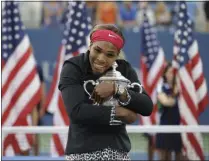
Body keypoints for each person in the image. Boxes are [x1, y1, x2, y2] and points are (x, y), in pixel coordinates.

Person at [58, 24, 153, 161]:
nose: (101, 58)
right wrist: (121, 113)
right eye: (98, 50)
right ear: (90, 45)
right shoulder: (73, 67)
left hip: (118, 152)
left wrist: (116, 89)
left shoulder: (124, 68)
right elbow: (77, 112)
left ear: (117, 55)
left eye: (110, 55)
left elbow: (147, 106)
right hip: (82, 154)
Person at [155, 62, 182, 160]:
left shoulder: (182, 88)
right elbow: (167, 102)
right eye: (169, 72)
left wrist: (177, 89)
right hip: (165, 125)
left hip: (178, 125)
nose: (171, 74)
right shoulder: (160, 87)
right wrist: (175, 93)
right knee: (165, 156)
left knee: (180, 155)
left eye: (173, 72)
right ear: (165, 73)